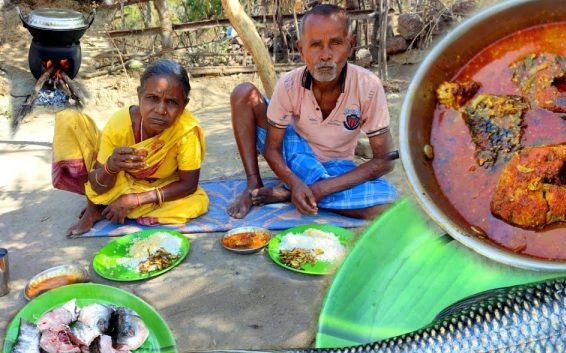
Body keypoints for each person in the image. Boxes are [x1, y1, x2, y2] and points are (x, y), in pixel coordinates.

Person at [226, 4, 398, 220]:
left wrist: (320, 189)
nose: (325, 55)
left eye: (336, 43)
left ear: (350, 45)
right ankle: (255, 184)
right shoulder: (289, 84)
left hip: (337, 168)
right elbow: (272, 149)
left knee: (386, 208)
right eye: (315, 45)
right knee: (243, 93)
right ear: (301, 49)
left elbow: (383, 160)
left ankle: (291, 194)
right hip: (295, 157)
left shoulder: (368, 85)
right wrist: (295, 182)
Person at [52, 59, 209, 236]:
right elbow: (97, 185)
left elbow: (189, 185)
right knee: (69, 120)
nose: (160, 110)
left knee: (196, 203)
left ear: (184, 105)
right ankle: (94, 209)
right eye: (152, 98)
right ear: (139, 95)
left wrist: (136, 199)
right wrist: (111, 167)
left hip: (160, 185)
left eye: (172, 102)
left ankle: (114, 206)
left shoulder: (186, 130)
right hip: (120, 181)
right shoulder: (119, 124)